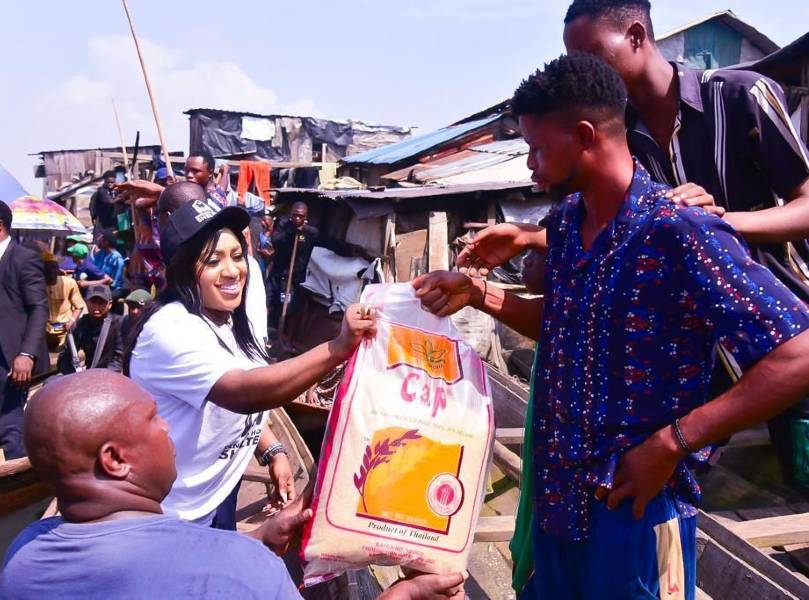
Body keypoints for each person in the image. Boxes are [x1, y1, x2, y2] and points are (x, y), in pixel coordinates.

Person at [413, 54, 809, 599]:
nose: (529, 165)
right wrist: (479, 293)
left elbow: (799, 353)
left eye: (537, 147)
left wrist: (673, 442)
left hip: (644, 511)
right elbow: (565, 327)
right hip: (560, 502)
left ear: (584, 135)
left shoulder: (680, 229)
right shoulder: (567, 226)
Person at [559, 0, 809, 493]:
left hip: (789, 330)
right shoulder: (619, 136)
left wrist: (718, 224)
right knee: (668, 488)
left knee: (801, 479)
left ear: (635, 36)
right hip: (701, 351)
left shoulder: (741, 96)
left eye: (592, 54)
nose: (585, 72)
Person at [0, 370, 464, 600]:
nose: (167, 427)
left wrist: (256, 540)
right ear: (115, 460)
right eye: (153, 418)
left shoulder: (24, 557)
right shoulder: (243, 572)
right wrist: (401, 595)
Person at [125, 198, 376, 530]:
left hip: (216, 495)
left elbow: (241, 389)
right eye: (213, 261)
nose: (233, 271)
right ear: (183, 269)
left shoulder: (225, 318)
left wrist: (272, 449)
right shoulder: (169, 329)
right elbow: (243, 392)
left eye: (237, 255)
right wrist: (337, 348)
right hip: (172, 518)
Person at [0, 202, 49, 459]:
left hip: (11, 358)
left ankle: (18, 477)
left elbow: (39, 308)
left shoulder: (23, 259)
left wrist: (27, 354)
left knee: (10, 425)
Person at [268, 201, 367, 328]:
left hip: (293, 279)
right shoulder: (283, 225)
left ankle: (283, 333)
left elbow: (330, 243)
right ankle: (267, 331)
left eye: (301, 216)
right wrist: (291, 231)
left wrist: (350, 250)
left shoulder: (310, 233)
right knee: (268, 301)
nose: (297, 218)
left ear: (306, 217)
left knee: (287, 307)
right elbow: (275, 240)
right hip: (277, 274)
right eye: (295, 215)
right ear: (291, 215)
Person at [57, 284, 123, 374]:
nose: (96, 307)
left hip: (111, 375)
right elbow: (64, 357)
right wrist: (74, 374)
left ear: (110, 304)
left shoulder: (118, 324)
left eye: (101, 303)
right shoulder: (81, 324)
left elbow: (119, 359)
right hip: (88, 374)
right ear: (86, 302)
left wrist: (102, 376)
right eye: (93, 302)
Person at [43, 251, 85, 351]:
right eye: (47, 268)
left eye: (54, 268)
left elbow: (79, 306)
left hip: (64, 329)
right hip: (44, 331)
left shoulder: (69, 283)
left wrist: (72, 320)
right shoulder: (36, 286)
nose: (51, 271)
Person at [90, 229, 126, 313]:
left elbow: (115, 282)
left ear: (106, 242)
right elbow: (92, 267)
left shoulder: (117, 259)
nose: (99, 241)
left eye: (102, 239)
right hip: (100, 285)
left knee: (102, 300)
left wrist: (99, 283)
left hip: (113, 289)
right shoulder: (100, 254)